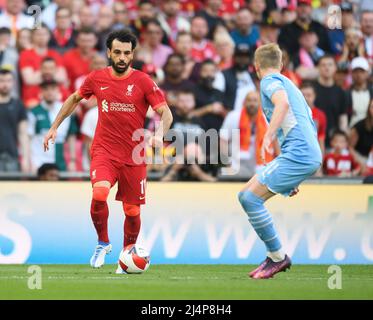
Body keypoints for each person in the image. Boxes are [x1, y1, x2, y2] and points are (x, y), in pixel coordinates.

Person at [43, 30, 173, 272]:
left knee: (132, 210)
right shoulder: (96, 78)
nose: (122, 57)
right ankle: (103, 242)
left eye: (127, 53)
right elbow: (74, 99)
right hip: (104, 151)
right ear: (109, 53)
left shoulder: (144, 81)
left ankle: (126, 255)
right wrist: (54, 128)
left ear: (132, 54)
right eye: (117, 52)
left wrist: (158, 134)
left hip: (134, 156)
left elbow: (166, 112)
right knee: (100, 193)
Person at [237, 43, 322, 279]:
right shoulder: (292, 85)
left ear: (256, 67)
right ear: (282, 64)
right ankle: (274, 256)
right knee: (248, 196)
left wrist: (268, 134)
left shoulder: (269, 81)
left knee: (248, 197)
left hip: (299, 154)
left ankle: (277, 257)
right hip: (303, 154)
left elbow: (281, 104)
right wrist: (297, 171)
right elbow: (308, 122)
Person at [220, 90, 276, 178]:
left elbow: (275, 142)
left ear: (260, 103)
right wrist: (228, 162)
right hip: (237, 165)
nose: (252, 104)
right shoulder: (233, 116)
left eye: (255, 100)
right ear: (244, 102)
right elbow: (223, 140)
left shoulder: (267, 119)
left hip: (262, 165)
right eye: (249, 100)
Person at [28, 79, 78, 172]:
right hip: (39, 163)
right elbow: (28, 139)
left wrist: (72, 160)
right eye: (46, 89)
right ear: (41, 92)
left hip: (60, 163)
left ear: (58, 91)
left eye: (53, 88)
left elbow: (71, 136)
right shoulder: (34, 112)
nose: (49, 92)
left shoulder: (67, 111)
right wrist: (30, 161)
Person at [313, 55, 349, 147]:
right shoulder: (311, 90)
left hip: (333, 142)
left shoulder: (341, 92)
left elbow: (343, 119)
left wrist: (341, 140)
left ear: (335, 68)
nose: (327, 68)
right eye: (323, 65)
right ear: (318, 68)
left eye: (330, 65)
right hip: (313, 140)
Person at [0, 68, 29, 172]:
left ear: (13, 83)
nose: (5, 84)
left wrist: (25, 159)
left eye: (8, 81)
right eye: (2, 80)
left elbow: (23, 134)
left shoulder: (18, 105)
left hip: (12, 156)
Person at [300, 82, 327, 156]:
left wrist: (320, 161)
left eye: (309, 95)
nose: (305, 98)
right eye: (302, 95)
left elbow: (321, 139)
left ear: (314, 96)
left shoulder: (320, 115)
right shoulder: (292, 114)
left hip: (313, 155)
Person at [350, 99, 373, 174]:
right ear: (368, 109)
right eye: (372, 107)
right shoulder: (359, 126)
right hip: (361, 158)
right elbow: (350, 147)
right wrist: (360, 163)